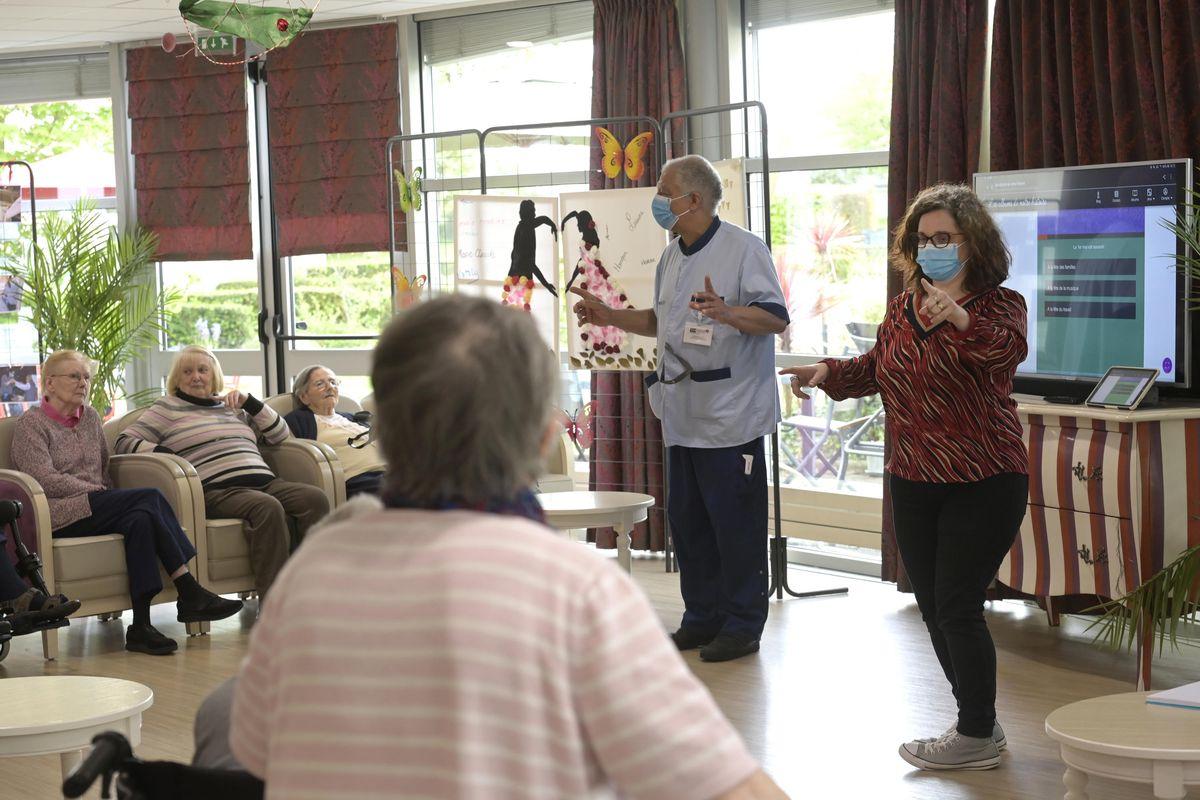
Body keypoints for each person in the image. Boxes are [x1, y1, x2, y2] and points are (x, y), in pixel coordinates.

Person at [229, 295, 789, 800]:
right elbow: (730, 788)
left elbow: (253, 749)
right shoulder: (575, 589)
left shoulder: (311, 571)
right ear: (545, 438)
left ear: (382, 433)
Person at [782, 183, 1029, 771]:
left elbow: (1005, 352)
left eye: (944, 238)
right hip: (913, 477)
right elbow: (877, 367)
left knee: (957, 604)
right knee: (934, 604)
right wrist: (827, 371)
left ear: (973, 243)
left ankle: (974, 732)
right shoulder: (902, 308)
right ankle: (979, 725)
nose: (932, 249)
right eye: (923, 240)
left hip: (985, 476)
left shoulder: (1001, 306)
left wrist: (961, 317)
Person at [571, 154, 789, 663]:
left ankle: (741, 624)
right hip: (682, 413)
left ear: (693, 199)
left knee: (734, 526)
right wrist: (610, 315)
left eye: (664, 190)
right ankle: (701, 617)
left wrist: (728, 311)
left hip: (729, 416)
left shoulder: (743, 248)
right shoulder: (672, 256)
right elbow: (661, 321)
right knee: (690, 526)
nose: (657, 199)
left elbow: (775, 318)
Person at [11, 350, 243, 655]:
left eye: (86, 377)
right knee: (149, 497)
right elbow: (42, 479)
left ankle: (141, 626)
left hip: (97, 505)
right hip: (56, 512)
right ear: (50, 383)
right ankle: (188, 588)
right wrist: (95, 491)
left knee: (141, 519)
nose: (83, 383)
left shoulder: (91, 417)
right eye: (74, 376)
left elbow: (104, 470)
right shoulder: (32, 425)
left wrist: (104, 494)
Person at [115, 345, 329, 599]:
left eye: (203, 370)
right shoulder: (168, 407)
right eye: (188, 371)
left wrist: (250, 403)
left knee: (315, 499)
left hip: (265, 481)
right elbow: (124, 441)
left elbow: (281, 435)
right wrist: (165, 451)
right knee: (267, 507)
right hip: (217, 490)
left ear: (214, 374)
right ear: (177, 378)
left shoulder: (234, 408)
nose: (196, 377)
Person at [283, 365, 384, 497]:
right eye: (320, 384)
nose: (330, 387)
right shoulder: (299, 420)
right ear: (304, 397)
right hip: (361, 478)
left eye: (333, 382)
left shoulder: (351, 417)